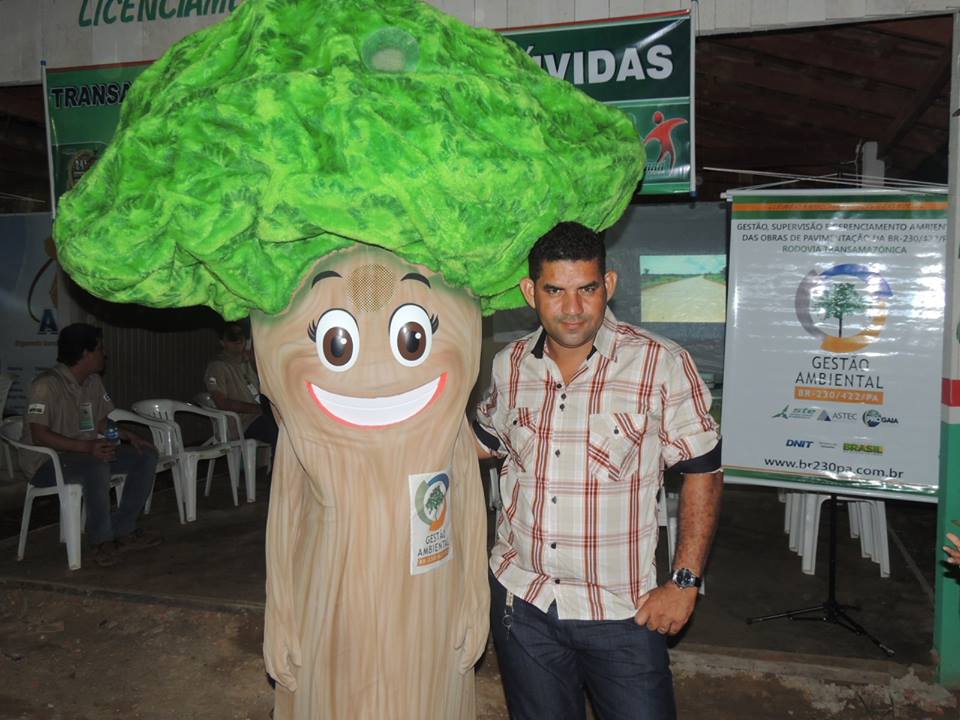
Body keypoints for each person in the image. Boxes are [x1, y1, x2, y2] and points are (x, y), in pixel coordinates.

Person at [474, 222, 723, 720]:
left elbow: (704, 472)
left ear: (608, 285)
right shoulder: (510, 365)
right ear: (530, 292)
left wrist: (684, 581)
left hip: (623, 613)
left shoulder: (660, 364)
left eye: (587, 289)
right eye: (555, 291)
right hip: (523, 604)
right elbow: (485, 445)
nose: (572, 308)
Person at [22, 323, 160, 568]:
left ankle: (124, 529)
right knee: (96, 465)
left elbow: (99, 422)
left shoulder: (92, 381)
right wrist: (87, 448)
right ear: (85, 354)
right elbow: (39, 436)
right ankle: (101, 541)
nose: (104, 353)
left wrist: (129, 436)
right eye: (100, 348)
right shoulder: (46, 385)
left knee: (145, 455)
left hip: (85, 452)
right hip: (47, 461)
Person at [204, 321, 278, 454]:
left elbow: (267, 385)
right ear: (223, 342)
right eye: (232, 338)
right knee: (276, 429)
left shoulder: (248, 362)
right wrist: (259, 409)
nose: (238, 341)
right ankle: (277, 472)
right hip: (242, 424)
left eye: (240, 336)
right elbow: (222, 402)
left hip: (259, 417)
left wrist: (255, 362)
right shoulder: (218, 366)